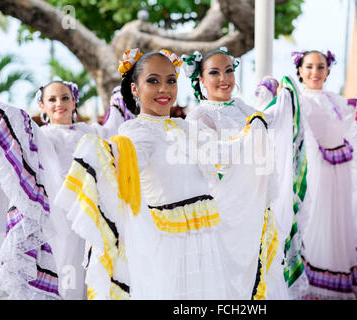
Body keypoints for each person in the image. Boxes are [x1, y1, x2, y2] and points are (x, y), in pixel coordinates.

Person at [55, 48, 272, 300]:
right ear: (135, 88)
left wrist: (251, 132)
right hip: (169, 246)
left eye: (170, 80)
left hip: (205, 239)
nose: (164, 89)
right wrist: (105, 154)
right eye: (153, 81)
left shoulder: (184, 126)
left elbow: (220, 155)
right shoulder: (137, 132)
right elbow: (126, 163)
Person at [182, 48, 309, 299]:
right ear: (201, 80)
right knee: (228, 273)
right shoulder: (200, 115)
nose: (224, 78)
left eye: (229, 70)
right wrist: (250, 134)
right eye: (214, 73)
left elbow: (267, 121)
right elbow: (213, 157)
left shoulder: (241, 107)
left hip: (255, 204)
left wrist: (283, 98)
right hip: (225, 207)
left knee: (259, 267)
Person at [0, 80, 128, 299]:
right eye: (52, 99)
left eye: (65, 98)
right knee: (64, 266)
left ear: (74, 101)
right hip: (59, 216)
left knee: (88, 267)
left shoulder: (90, 131)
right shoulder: (42, 136)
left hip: (89, 213)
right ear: (42, 106)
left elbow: (114, 128)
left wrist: (122, 90)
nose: (60, 103)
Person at [291, 50, 357, 299]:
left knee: (338, 221)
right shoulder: (296, 100)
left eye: (320, 66)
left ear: (328, 70)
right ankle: (312, 286)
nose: (315, 72)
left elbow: (353, 117)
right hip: (315, 171)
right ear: (299, 70)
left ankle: (338, 281)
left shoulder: (335, 99)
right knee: (315, 220)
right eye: (309, 66)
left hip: (340, 170)